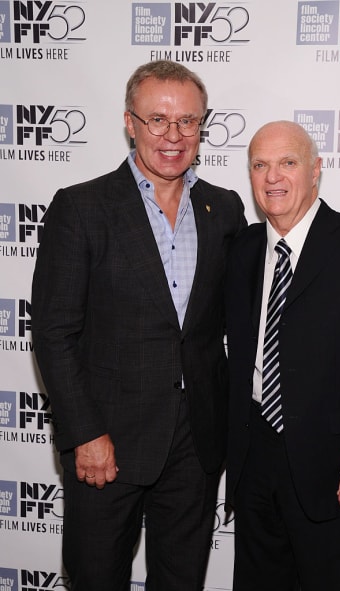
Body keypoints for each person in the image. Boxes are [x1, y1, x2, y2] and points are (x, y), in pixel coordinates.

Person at [31, 60, 246, 591]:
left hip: (196, 442)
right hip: (107, 442)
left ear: (202, 125)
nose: (173, 136)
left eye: (188, 122)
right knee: (97, 578)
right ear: (130, 122)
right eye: (157, 120)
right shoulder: (81, 208)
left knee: (182, 581)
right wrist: (84, 434)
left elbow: (236, 323)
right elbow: (54, 333)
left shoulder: (225, 210)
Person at [225, 120, 340, 591]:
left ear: (315, 170)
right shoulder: (244, 248)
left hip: (336, 469)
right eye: (260, 165)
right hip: (254, 463)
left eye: (288, 163)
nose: (273, 177)